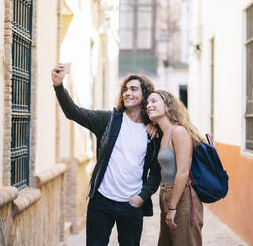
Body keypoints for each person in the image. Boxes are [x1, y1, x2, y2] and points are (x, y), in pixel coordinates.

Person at [51, 64, 161, 246]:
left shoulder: (153, 133)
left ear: (145, 96)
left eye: (134, 89)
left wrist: (143, 196)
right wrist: (58, 86)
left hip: (132, 204)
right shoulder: (107, 120)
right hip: (101, 201)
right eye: (125, 89)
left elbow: (156, 173)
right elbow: (73, 112)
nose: (127, 93)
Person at [146, 90, 204, 246]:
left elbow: (183, 172)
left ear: (167, 105)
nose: (149, 105)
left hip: (182, 196)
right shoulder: (162, 133)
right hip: (166, 193)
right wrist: (152, 125)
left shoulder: (178, 131)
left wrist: (172, 208)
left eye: (154, 101)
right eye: (147, 103)